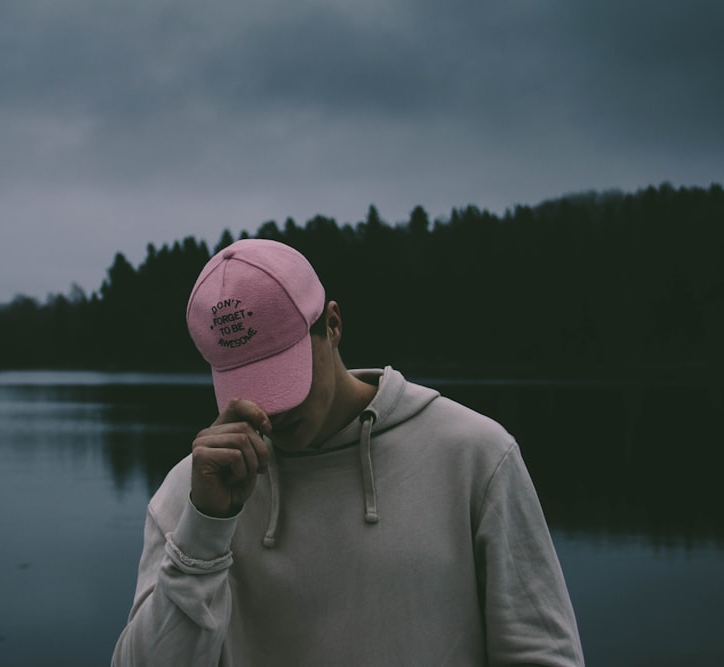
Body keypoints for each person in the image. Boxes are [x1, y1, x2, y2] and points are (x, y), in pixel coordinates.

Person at [112, 239, 584, 666]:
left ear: (332, 325)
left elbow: (542, 653)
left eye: (281, 376)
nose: (270, 412)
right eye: (248, 384)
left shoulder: (473, 455)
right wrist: (203, 534)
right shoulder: (195, 492)